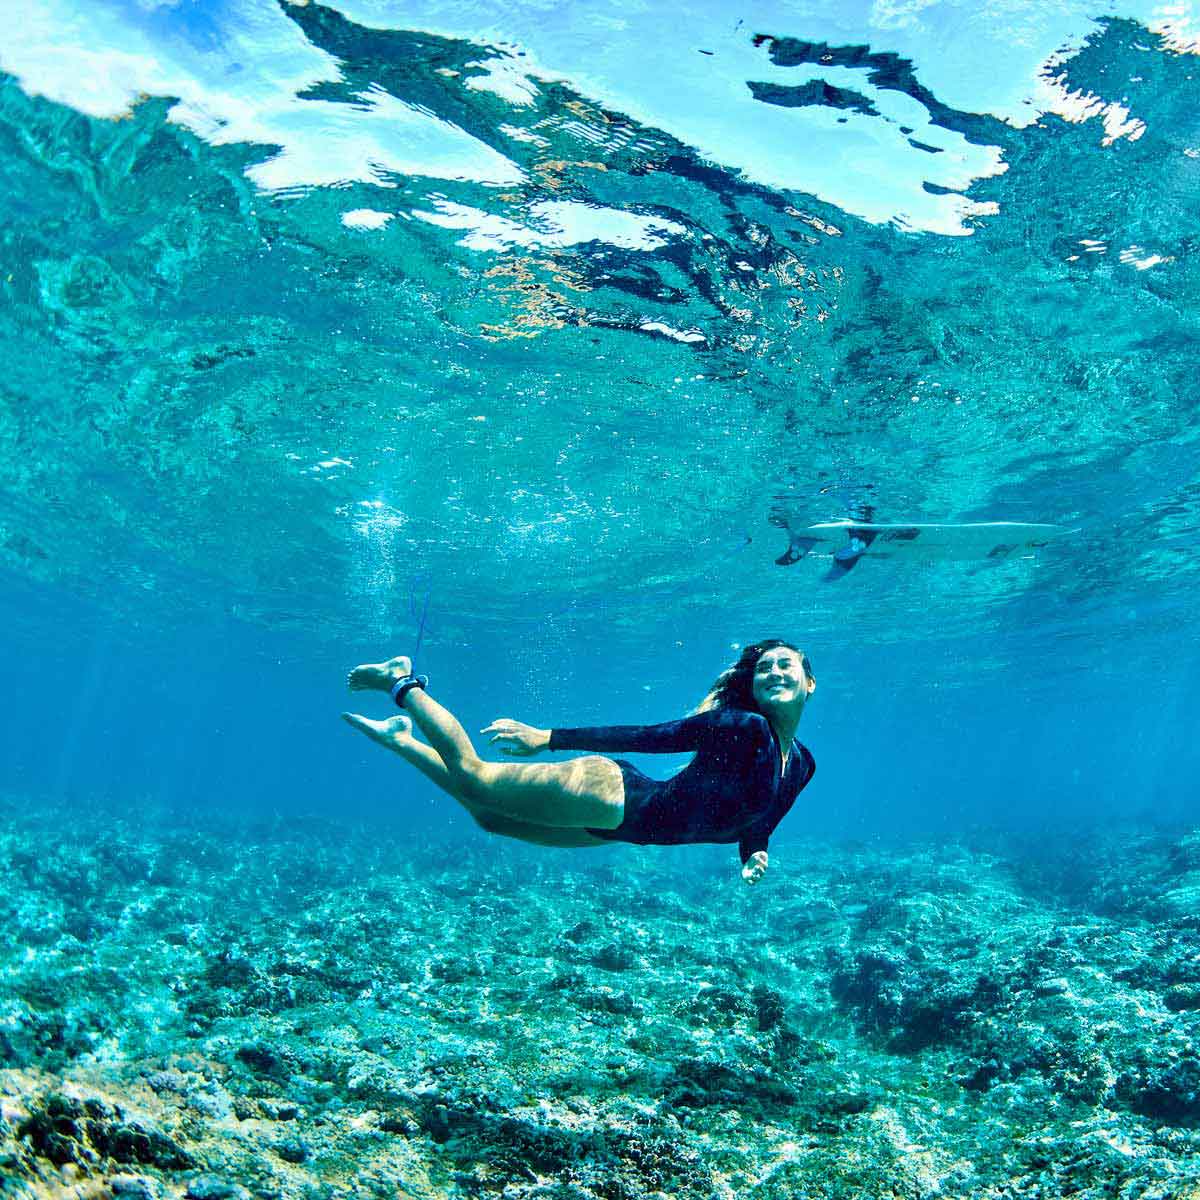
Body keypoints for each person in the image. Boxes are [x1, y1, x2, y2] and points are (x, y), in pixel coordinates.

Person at [341, 640, 816, 885]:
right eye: (764, 667)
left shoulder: (800, 765)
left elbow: (761, 818)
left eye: (785, 665)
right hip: (612, 797)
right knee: (475, 776)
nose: (773, 671)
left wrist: (755, 851)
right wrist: (548, 739)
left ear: (809, 683)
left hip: (627, 828)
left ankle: (400, 740)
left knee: (490, 819)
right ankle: (399, 681)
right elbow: (655, 737)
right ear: (750, 684)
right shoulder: (743, 728)